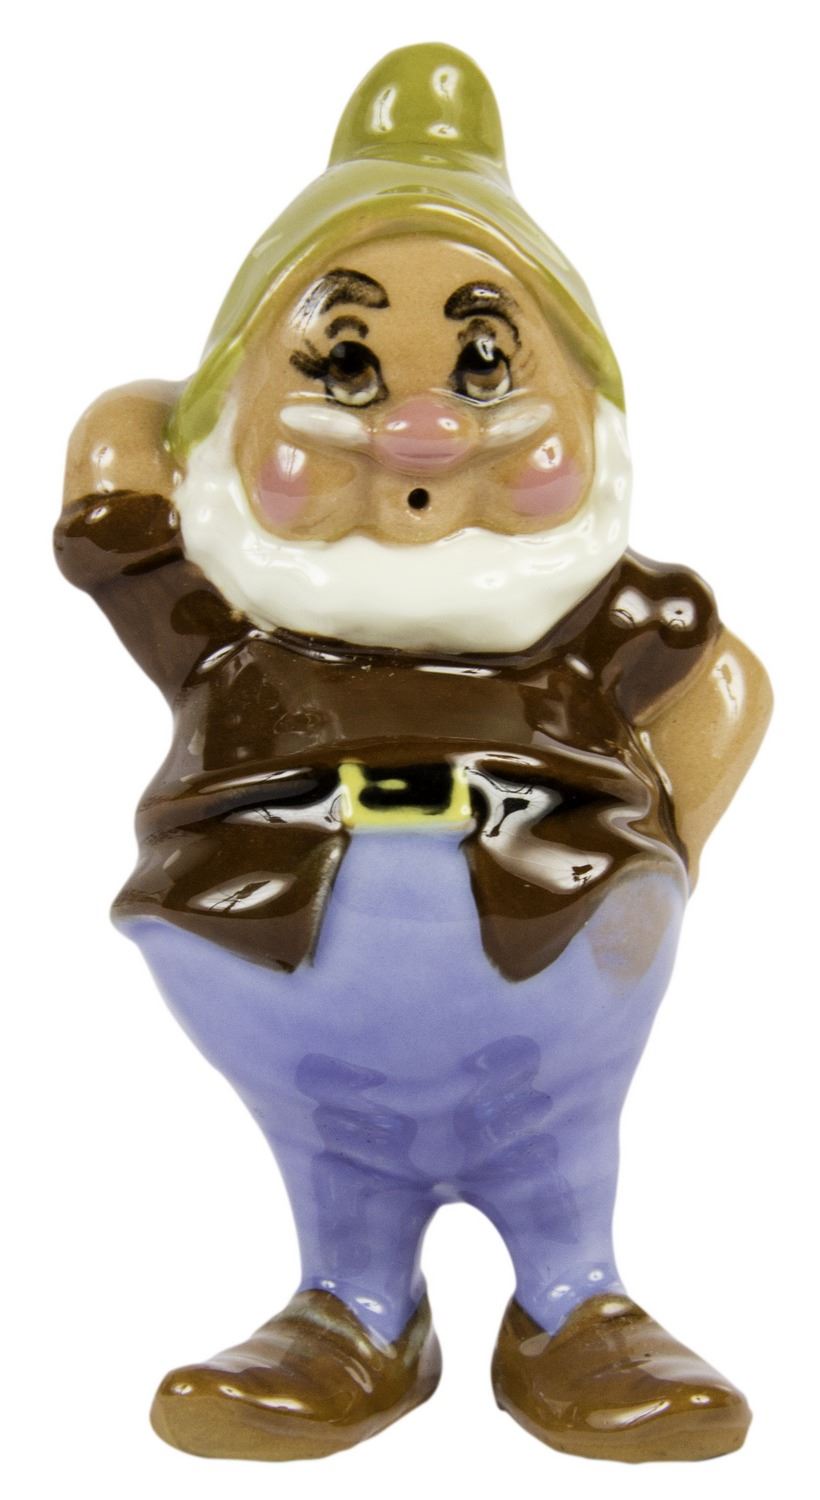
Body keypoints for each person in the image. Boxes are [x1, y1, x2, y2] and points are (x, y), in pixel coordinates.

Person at [55, 43, 771, 1464]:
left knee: (560, 1153)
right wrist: (135, 428)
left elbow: (730, 689)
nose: (422, 430)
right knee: (340, 1168)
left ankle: (574, 1301)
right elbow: (109, 512)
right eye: (346, 364)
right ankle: (352, 1307)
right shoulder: (229, 637)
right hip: (287, 977)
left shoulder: (596, 623)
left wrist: (653, 865)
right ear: (231, 418)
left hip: (554, 969)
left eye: (487, 364)